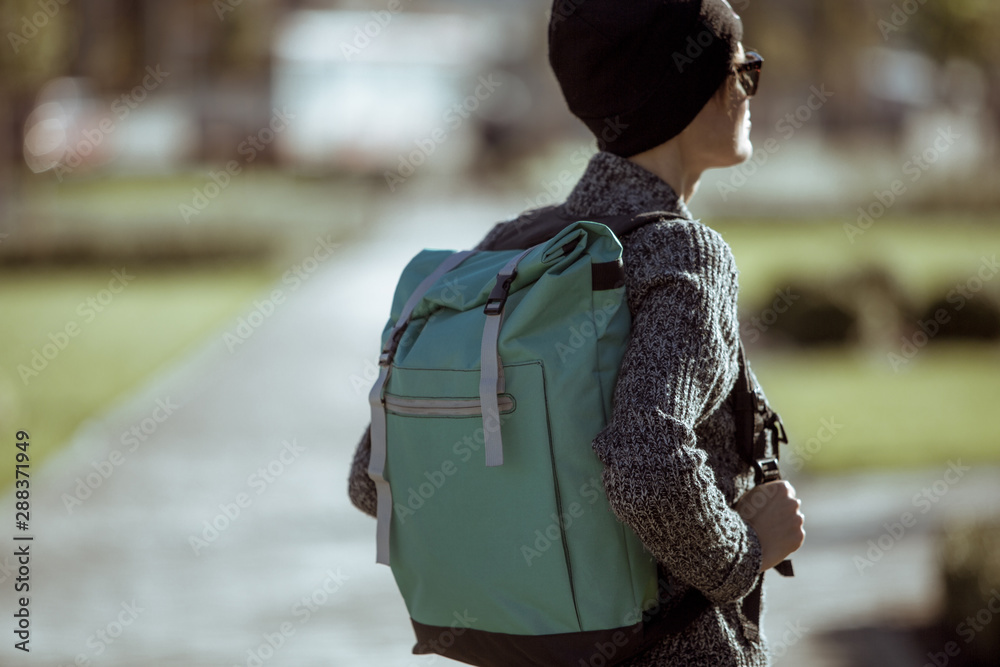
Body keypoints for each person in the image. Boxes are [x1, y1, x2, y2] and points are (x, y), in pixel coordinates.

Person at [349, 1, 805, 664]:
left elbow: (372, 476)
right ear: (690, 89)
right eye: (743, 70)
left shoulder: (512, 247)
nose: (747, 90)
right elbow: (644, 465)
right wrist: (745, 551)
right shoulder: (685, 255)